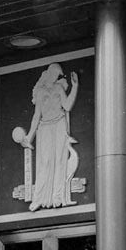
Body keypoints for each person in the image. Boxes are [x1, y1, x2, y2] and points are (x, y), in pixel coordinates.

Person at [16, 63, 79, 211]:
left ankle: (57, 197)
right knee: (44, 162)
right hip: (45, 127)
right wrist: (30, 136)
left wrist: (75, 86)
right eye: (54, 74)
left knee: (59, 161)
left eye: (57, 75)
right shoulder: (40, 92)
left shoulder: (58, 88)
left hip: (59, 125)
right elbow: (36, 116)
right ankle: (38, 199)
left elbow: (68, 106)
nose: (55, 77)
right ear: (48, 74)